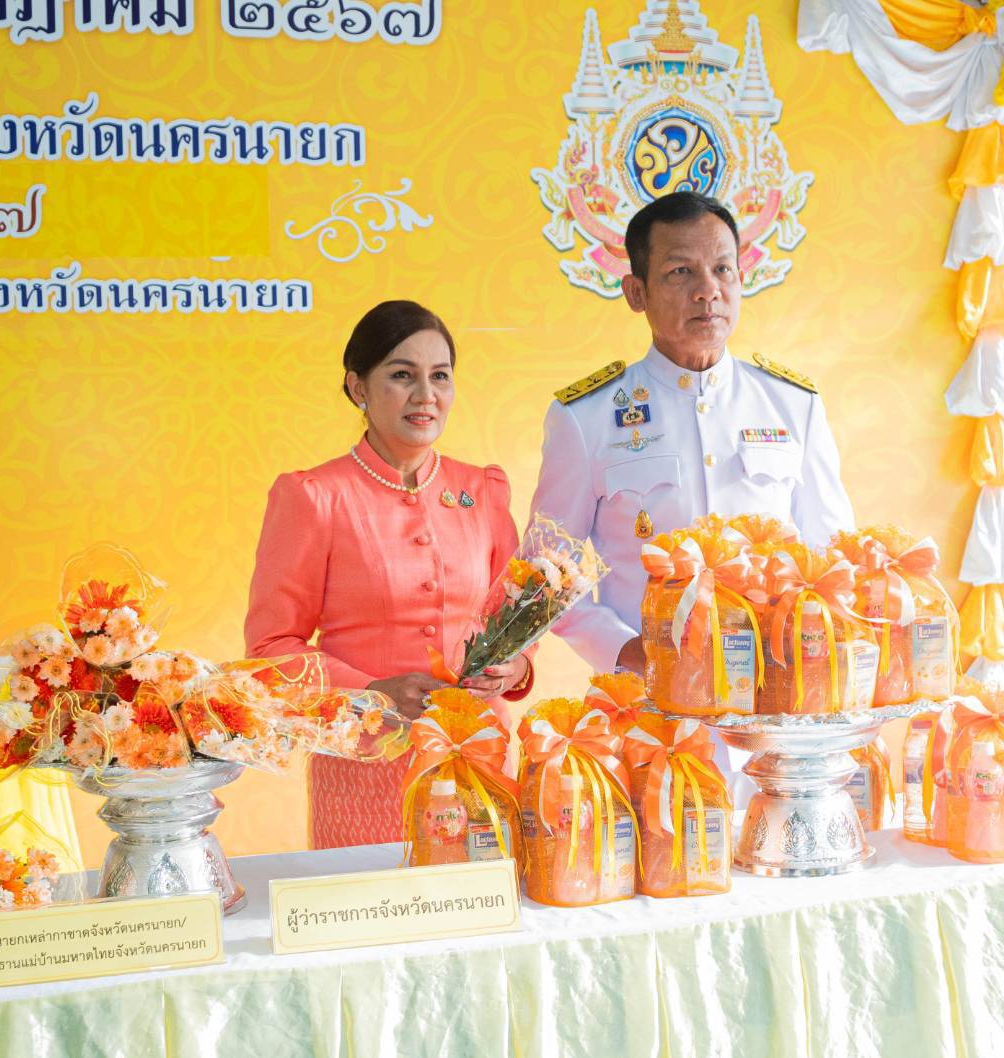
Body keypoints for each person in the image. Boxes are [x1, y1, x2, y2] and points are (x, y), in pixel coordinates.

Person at [528, 191, 856, 675]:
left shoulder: (794, 405)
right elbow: (542, 572)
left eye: (723, 269)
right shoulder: (586, 417)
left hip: (775, 697)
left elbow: (835, 556)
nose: (708, 290)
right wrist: (627, 650)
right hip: (646, 708)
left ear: (741, 280)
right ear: (636, 293)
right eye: (681, 272)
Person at [245, 300, 533, 847]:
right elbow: (270, 647)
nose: (426, 395)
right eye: (402, 375)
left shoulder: (484, 491)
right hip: (363, 762)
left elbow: (518, 621)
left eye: (440, 377)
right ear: (358, 387)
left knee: (482, 918)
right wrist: (371, 693)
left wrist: (516, 667)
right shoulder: (315, 497)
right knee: (370, 917)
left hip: (477, 753)